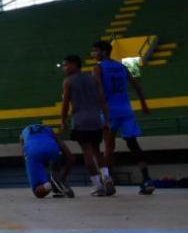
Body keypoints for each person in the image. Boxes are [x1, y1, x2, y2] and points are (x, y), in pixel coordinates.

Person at [92, 40, 155, 194]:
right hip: (126, 109)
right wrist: (144, 104)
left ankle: (109, 182)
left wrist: (102, 110)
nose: (93, 54)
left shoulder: (98, 68)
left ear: (104, 52)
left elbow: (99, 91)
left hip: (110, 111)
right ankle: (147, 180)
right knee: (133, 145)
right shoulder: (122, 66)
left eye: (95, 51)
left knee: (108, 147)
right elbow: (137, 85)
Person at [61, 54, 112, 196]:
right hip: (96, 119)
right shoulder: (94, 78)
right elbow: (102, 100)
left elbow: (65, 104)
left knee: (87, 152)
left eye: (66, 65)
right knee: (97, 151)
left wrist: (63, 120)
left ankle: (97, 185)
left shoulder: (68, 81)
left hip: (80, 119)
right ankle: (106, 177)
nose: (65, 68)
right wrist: (107, 119)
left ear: (75, 65)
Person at [21, 122, 74, 198]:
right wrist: (63, 177)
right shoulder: (49, 131)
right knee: (55, 160)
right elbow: (70, 157)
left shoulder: (24, 133)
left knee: (38, 192)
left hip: (33, 152)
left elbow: (24, 153)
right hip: (52, 150)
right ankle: (57, 182)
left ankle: (50, 185)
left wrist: (29, 164)